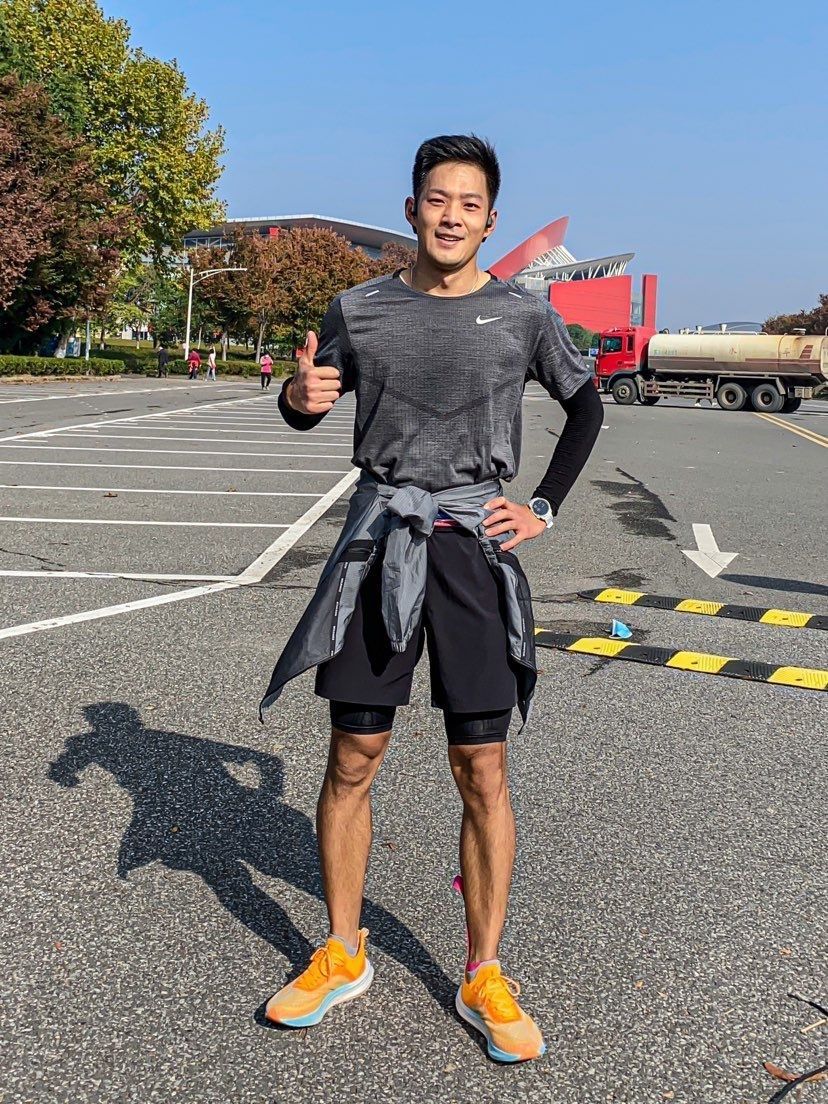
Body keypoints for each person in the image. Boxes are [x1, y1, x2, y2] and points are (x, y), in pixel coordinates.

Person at [260, 135, 603, 1062]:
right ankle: (342, 951)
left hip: (472, 548)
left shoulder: (523, 313)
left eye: (469, 203)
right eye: (437, 199)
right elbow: (307, 403)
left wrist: (542, 508)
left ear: (490, 221)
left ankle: (484, 971)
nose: (452, 216)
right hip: (379, 539)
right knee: (354, 752)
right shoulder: (359, 308)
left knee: (481, 766)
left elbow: (586, 406)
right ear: (411, 209)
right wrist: (298, 395)